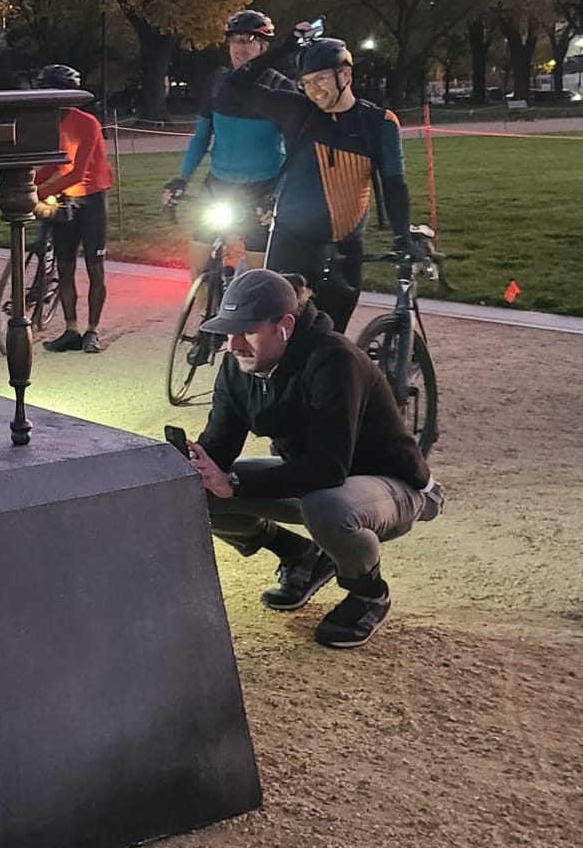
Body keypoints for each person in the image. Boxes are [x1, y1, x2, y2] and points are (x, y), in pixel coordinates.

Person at [182, 268, 442, 649]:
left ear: (285, 327)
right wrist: (190, 467)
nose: (233, 344)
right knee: (196, 491)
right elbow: (219, 449)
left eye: (247, 331)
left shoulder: (334, 360)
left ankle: (369, 593)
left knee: (327, 507)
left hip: (396, 485)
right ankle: (301, 556)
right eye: (228, 331)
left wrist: (235, 483)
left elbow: (327, 467)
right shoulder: (237, 366)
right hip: (319, 480)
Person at [215, 24, 412, 337]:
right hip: (291, 245)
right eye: (306, 83)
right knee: (278, 338)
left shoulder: (380, 123)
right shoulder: (297, 110)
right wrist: (284, 48)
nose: (314, 90)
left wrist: (403, 237)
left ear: (344, 75)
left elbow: (394, 186)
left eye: (320, 79)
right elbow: (231, 90)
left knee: (330, 340)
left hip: (346, 251)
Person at [165, 10, 286, 273]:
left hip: (261, 187)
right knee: (198, 268)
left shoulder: (280, 87)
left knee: (258, 280)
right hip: (218, 185)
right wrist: (181, 179)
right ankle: (205, 298)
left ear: (264, 46)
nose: (239, 48)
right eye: (234, 41)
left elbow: (296, 151)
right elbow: (201, 137)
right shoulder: (217, 82)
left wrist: (276, 195)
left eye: (247, 41)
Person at [32, 63, 113, 353]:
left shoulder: (87, 123)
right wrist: (29, 183)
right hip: (67, 196)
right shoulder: (50, 123)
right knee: (65, 266)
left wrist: (41, 192)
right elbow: (54, 163)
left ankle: (92, 330)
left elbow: (78, 172)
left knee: (94, 268)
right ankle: (71, 329)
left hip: (92, 198)